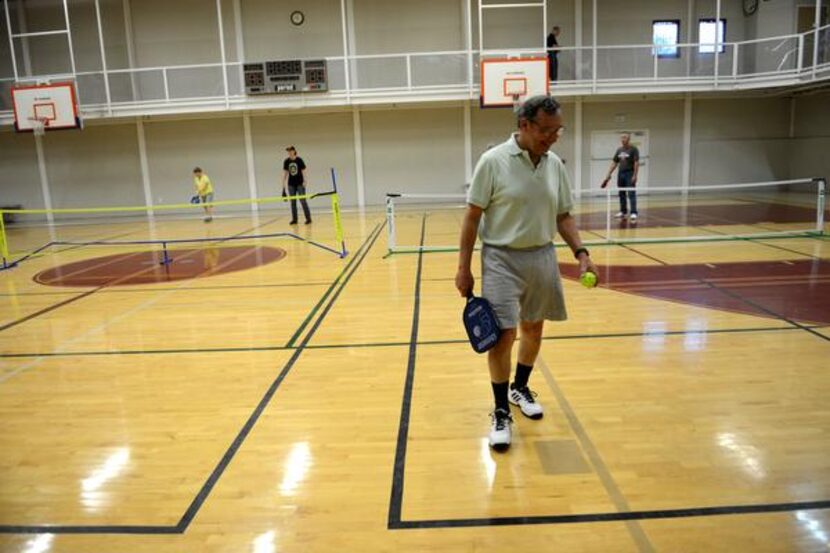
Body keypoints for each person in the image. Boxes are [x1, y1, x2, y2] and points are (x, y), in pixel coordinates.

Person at [455, 95, 598, 452]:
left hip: (542, 255)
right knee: (503, 335)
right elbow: (472, 216)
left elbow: (563, 215)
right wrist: (463, 267)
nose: (552, 137)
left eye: (557, 130)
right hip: (501, 258)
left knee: (534, 327)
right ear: (524, 126)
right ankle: (501, 410)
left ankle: (520, 387)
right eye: (546, 130)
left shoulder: (554, 165)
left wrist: (581, 252)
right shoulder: (493, 162)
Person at [601, 133, 640, 222]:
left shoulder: (634, 149)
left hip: (629, 173)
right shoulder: (619, 150)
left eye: (625, 137)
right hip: (621, 173)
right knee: (621, 193)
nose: (623, 139)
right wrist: (609, 173)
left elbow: (636, 163)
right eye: (622, 137)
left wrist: (635, 175)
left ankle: (634, 212)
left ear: (629, 139)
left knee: (631, 194)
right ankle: (623, 211)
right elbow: (614, 162)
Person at [282, 146, 312, 225]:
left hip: (300, 183)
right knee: (293, 202)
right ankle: (294, 219)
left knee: (303, 201)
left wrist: (305, 181)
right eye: (288, 151)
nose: (289, 152)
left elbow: (303, 170)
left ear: (294, 151)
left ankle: (308, 218)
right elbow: (285, 173)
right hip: (291, 184)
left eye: (290, 151)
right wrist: (283, 183)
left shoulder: (299, 160)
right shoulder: (286, 161)